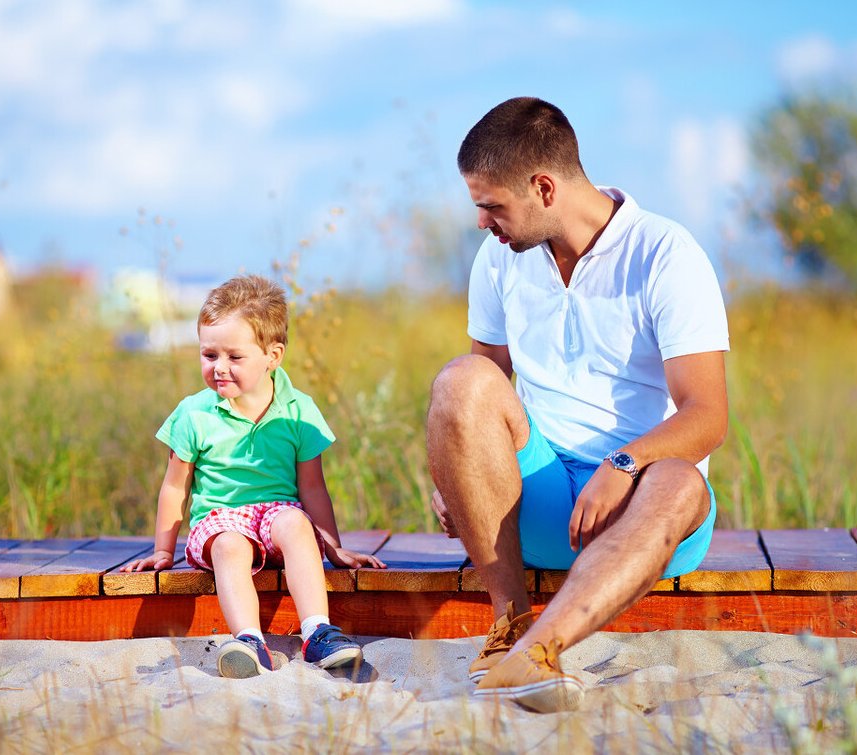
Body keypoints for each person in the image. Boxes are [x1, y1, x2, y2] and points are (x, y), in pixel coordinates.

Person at [426, 97, 729, 712]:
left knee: (677, 482)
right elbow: (483, 385)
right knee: (461, 379)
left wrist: (621, 466)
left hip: (643, 511)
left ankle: (538, 654)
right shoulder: (499, 258)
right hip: (535, 503)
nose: (482, 223)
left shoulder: (666, 254)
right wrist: (455, 472)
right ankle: (509, 625)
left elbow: (707, 416)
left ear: (543, 187)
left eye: (491, 205)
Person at [124, 274, 385, 678]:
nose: (219, 368)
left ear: (273, 356)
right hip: (219, 519)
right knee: (230, 546)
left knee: (297, 523)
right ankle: (249, 641)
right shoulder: (194, 414)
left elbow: (312, 487)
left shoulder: (299, 410)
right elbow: (175, 485)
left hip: (277, 513)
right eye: (209, 355)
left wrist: (334, 548)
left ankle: (317, 633)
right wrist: (163, 550)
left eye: (234, 357)